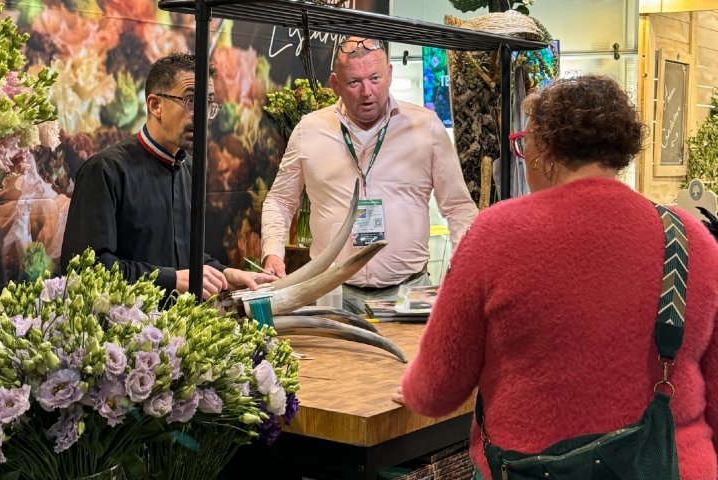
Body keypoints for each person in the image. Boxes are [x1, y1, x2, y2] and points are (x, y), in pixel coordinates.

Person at [395, 75, 718, 479]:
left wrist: (412, 388)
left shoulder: (498, 233)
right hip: (674, 465)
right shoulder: (690, 237)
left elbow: (436, 392)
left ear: (544, 148)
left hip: (528, 467)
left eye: (523, 142)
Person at [261, 36, 478, 314]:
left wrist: (463, 264)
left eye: (375, 78)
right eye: (354, 82)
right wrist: (273, 253)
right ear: (335, 84)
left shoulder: (426, 127)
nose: (367, 92)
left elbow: (458, 206)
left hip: (410, 294)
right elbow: (280, 200)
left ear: (389, 73)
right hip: (331, 293)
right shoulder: (310, 130)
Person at [61, 52, 276, 299]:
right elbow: (85, 269)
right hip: (123, 331)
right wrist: (171, 279)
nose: (202, 115)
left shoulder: (188, 169)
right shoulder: (105, 171)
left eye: (208, 104)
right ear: (155, 105)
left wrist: (226, 274)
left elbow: (183, 257)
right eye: (191, 101)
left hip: (183, 327)